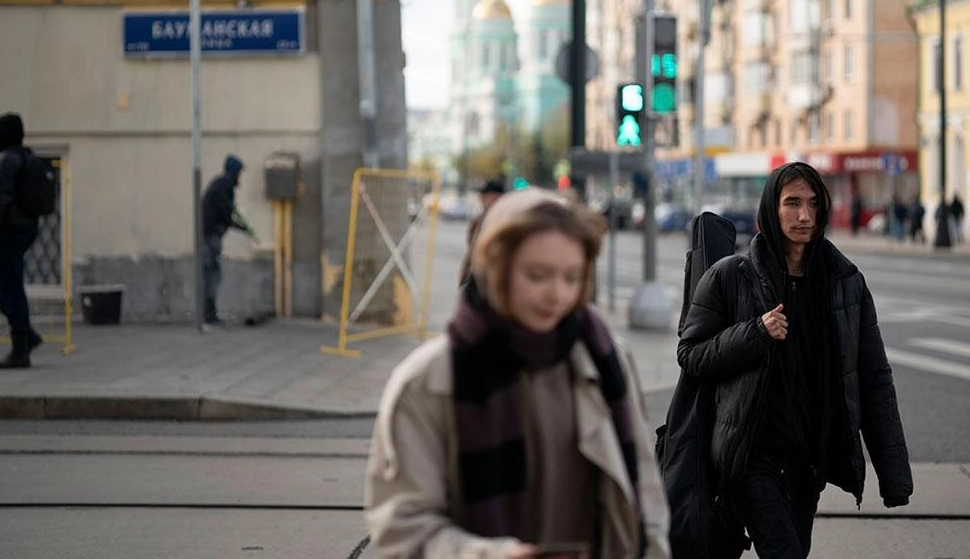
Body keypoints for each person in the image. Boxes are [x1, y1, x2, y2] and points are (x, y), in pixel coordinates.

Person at [366, 188, 670, 557]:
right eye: (538, 275)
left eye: (572, 277)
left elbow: (646, 498)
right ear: (495, 268)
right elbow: (403, 526)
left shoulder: (605, 358)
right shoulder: (428, 380)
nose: (557, 295)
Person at [676, 162, 912, 558]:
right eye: (792, 203)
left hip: (808, 460)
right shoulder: (732, 277)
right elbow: (691, 353)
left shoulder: (844, 282)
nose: (804, 215)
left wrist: (894, 476)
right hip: (750, 454)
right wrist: (755, 333)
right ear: (772, 208)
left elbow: (873, 379)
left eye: (813, 204)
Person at [0, 113, 44, 369]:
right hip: (27, 228)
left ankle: (21, 346)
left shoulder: (7, 160)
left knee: (2, 283)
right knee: (3, 282)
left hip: (10, 231)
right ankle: (25, 336)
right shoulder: (27, 156)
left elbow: (0, 201)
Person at [201, 154, 254, 326]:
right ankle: (209, 315)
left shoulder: (221, 185)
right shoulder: (223, 186)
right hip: (211, 237)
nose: (240, 177)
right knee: (212, 275)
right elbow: (226, 213)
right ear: (234, 172)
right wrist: (242, 227)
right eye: (239, 173)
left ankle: (209, 314)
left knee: (211, 274)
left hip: (210, 235)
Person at [458, 178, 505, 284]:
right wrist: (465, 272)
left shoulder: (505, 223)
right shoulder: (478, 221)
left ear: (499, 197)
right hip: (475, 278)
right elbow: (472, 250)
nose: (481, 198)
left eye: (486, 195)